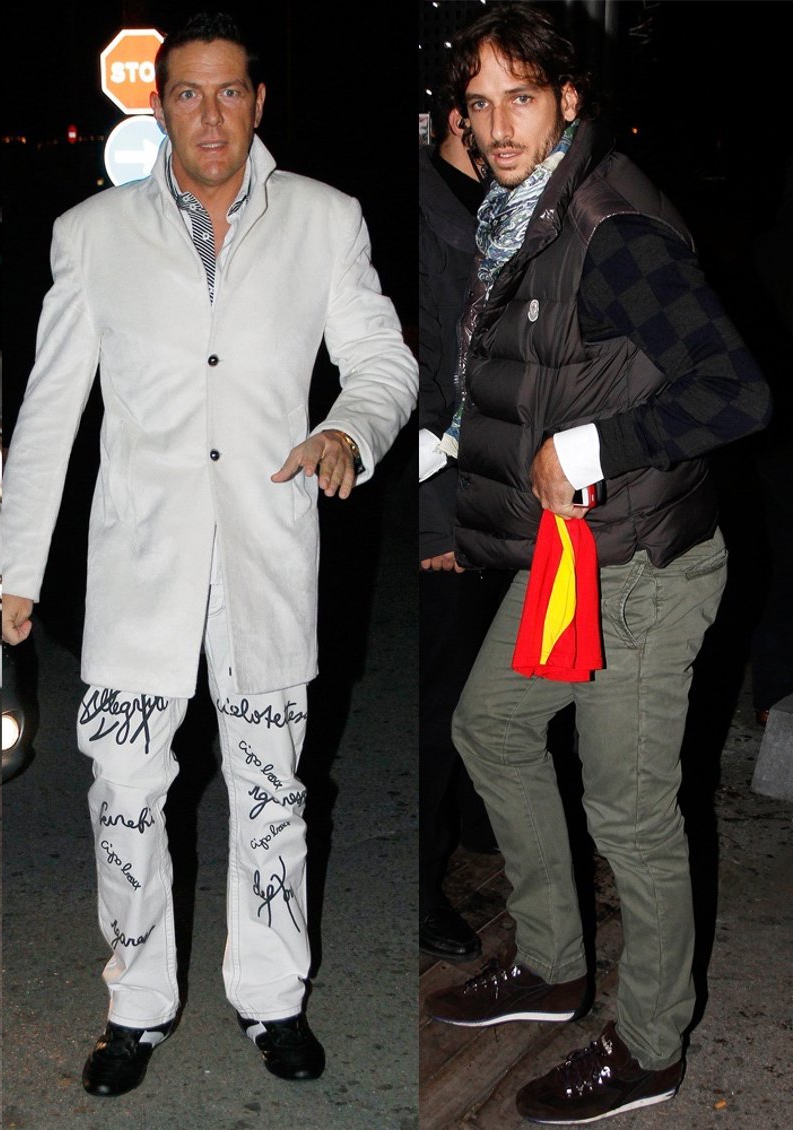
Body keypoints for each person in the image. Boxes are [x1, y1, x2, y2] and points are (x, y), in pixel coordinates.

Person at [2, 11, 416, 1099]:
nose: (212, 115)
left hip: (266, 558)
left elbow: (384, 362)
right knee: (124, 792)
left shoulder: (325, 220)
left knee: (272, 788)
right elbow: (50, 411)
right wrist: (19, 568)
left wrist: (349, 430)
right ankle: (134, 1005)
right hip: (140, 567)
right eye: (188, 93)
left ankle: (273, 996)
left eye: (230, 91)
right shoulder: (93, 234)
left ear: (259, 101)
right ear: (160, 105)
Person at [423, 6, 771, 1124]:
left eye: (521, 98)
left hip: (643, 569)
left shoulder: (611, 230)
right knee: (490, 727)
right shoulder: (522, 214)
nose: (497, 126)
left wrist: (590, 447)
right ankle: (553, 962)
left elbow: (737, 391)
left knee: (629, 813)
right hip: (573, 557)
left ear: (568, 100)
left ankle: (653, 1047)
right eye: (480, 103)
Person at [417, 94, 506, 963]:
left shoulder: (503, 204)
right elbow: (411, 386)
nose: (502, 130)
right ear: (454, 118)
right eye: (483, 109)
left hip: (502, 499)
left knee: (484, 686)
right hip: (449, 510)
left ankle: (479, 830)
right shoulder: (427, 214)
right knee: (438, 702)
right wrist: (434, 520)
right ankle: (419, 885)